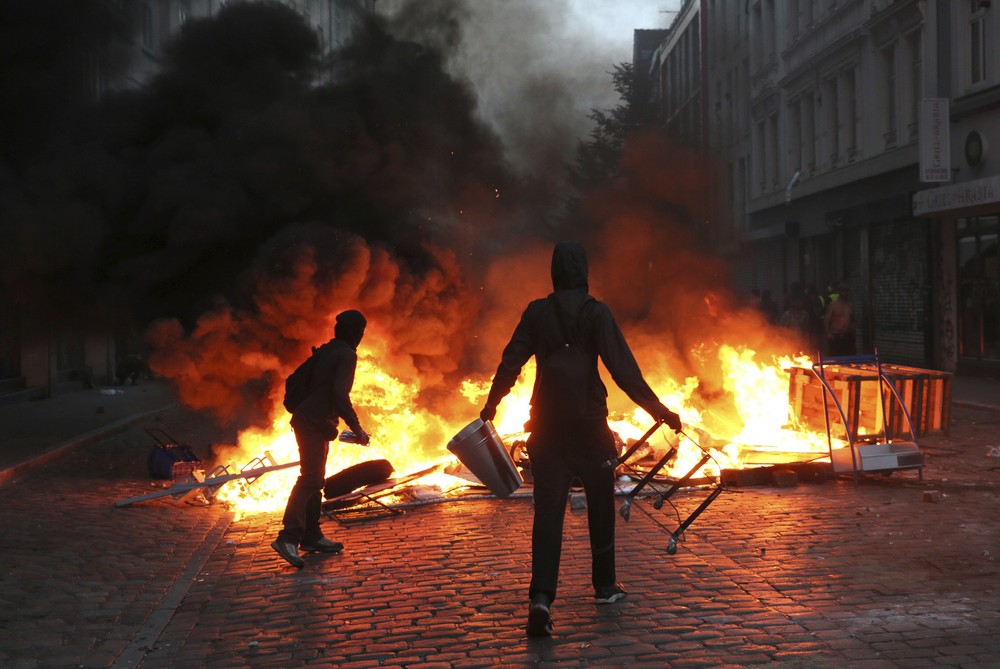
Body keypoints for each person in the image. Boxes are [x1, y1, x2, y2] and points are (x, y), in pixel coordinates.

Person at [479, 241, 682, 637]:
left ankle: (541, 597)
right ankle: (604, 586)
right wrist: (660, 410)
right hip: (590, 427)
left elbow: (510, 361)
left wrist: (491, 406)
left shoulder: (537, 313)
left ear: (554, 273)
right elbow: (624, 369)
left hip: (548, 429)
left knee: (548, 514)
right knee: (601, 505)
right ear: (584, 273)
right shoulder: (596, 313)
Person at [271, 309, 371, 568]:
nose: (361, 336)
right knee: (311, 478)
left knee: (317, 479)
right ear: (354, 332)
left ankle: (312, 536)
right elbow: (340, 394)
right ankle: (288, 536)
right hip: (312, 423)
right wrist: (357, 427)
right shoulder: (346, 354)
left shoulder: (330, 349)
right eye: (360, 331)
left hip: (313, 421)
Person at [824, 284, 856, 356]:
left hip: (847, 336)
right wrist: (828, 332)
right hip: (836, 336)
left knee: (849, 357)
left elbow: (852, 320)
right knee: (835, 357)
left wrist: (853, 332)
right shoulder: (833, 305)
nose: (844, 293)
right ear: (839, 292)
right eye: (843, 291)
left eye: (846, 291)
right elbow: (826, 320)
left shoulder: (850, 305)